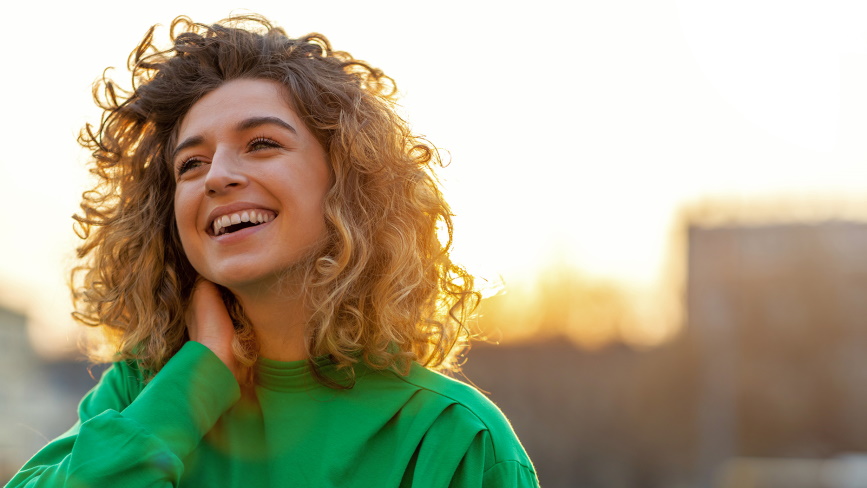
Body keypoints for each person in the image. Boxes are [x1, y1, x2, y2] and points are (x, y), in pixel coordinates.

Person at [5, 13, 538, 488]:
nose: (216, 176)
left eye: (262, 144)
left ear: (349, 182)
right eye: (190, 164)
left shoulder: (454, 438)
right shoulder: (138, 396)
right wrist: (195, 386)